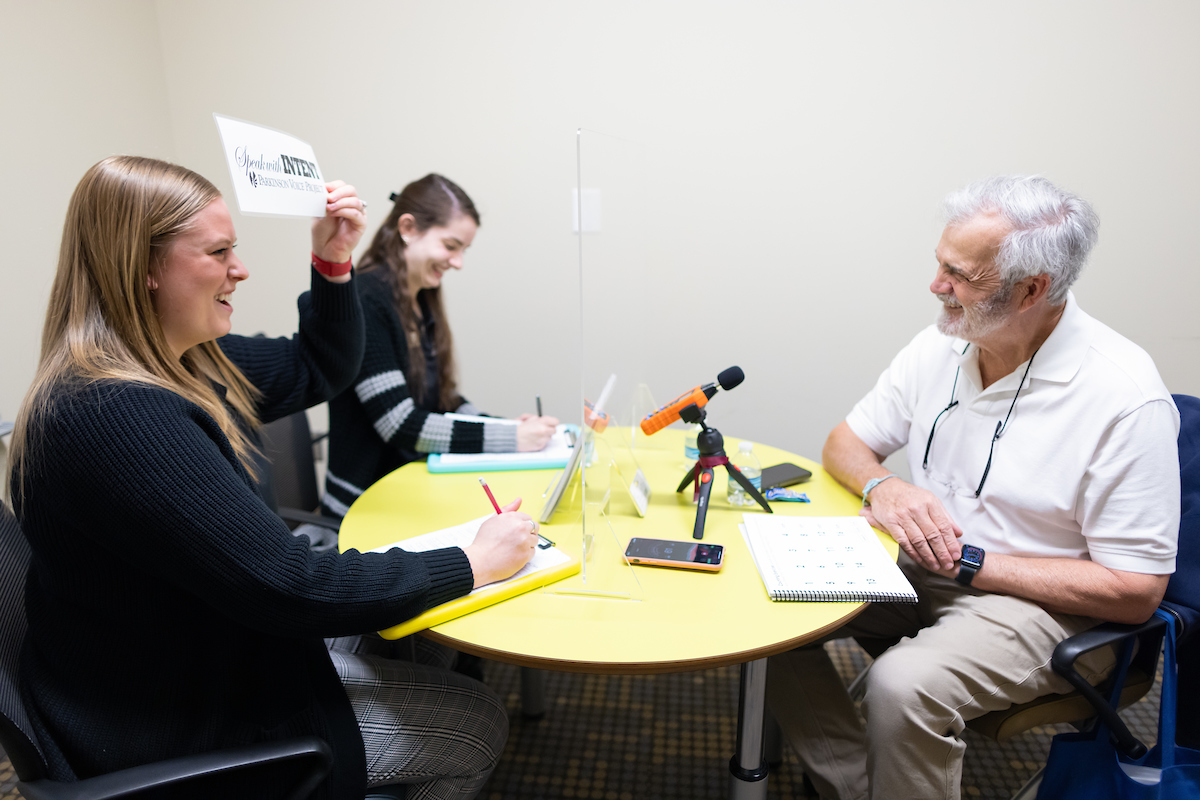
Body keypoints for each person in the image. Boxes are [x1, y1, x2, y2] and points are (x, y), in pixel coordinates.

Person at [7, 156, 542, 800]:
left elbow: (320, 367)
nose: (241, 269)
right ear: (143, 267)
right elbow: (289, 588)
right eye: (219, 252)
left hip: (207, 641)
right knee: (474, 721)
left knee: (422, 639)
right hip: (175, 714)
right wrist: (469, 562)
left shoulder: (190, 362)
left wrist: (333, 261)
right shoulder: (114, 412)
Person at [765, 176, 1180, 800]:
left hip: (1052, 609)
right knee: (762, 603)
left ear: (1031, 290)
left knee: (904, 685)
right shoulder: (944, 342)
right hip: (925, 569)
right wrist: (884, 486)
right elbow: (843, 444)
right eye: (940, 263)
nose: (937, 285)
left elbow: (1135, 592)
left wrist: (973, 562)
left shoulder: (1124, 396)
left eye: (959, 274)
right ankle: (852, 786)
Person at [320, 174, 558, 521]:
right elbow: (400, 424)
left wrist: (509, 429)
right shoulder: (366, 298)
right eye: (451, 246)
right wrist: (510, 437)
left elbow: (443, 401)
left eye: (464, 250)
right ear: (408, 228)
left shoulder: (421, 299)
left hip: (410, 488)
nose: (458, 262)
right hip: (366, 506)